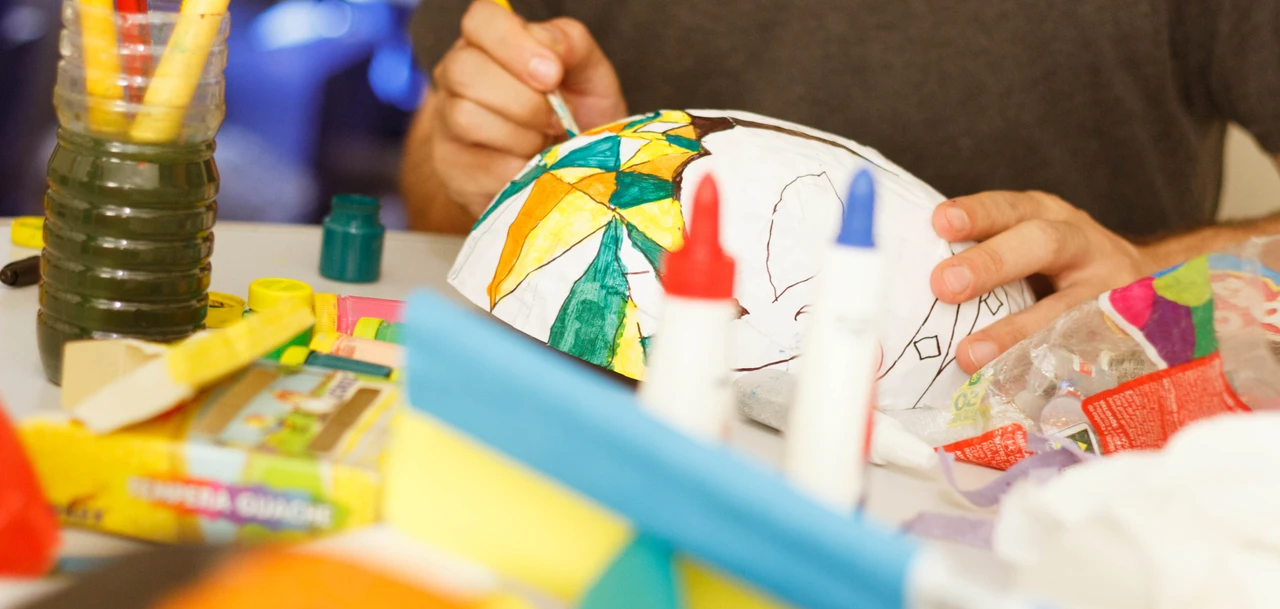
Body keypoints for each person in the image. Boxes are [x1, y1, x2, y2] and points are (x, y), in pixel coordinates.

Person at [400, 0, 1280, 373]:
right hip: (595, 429)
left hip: (1050, 475)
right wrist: (519, 168)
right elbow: (433, 188)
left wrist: (1161, 283)